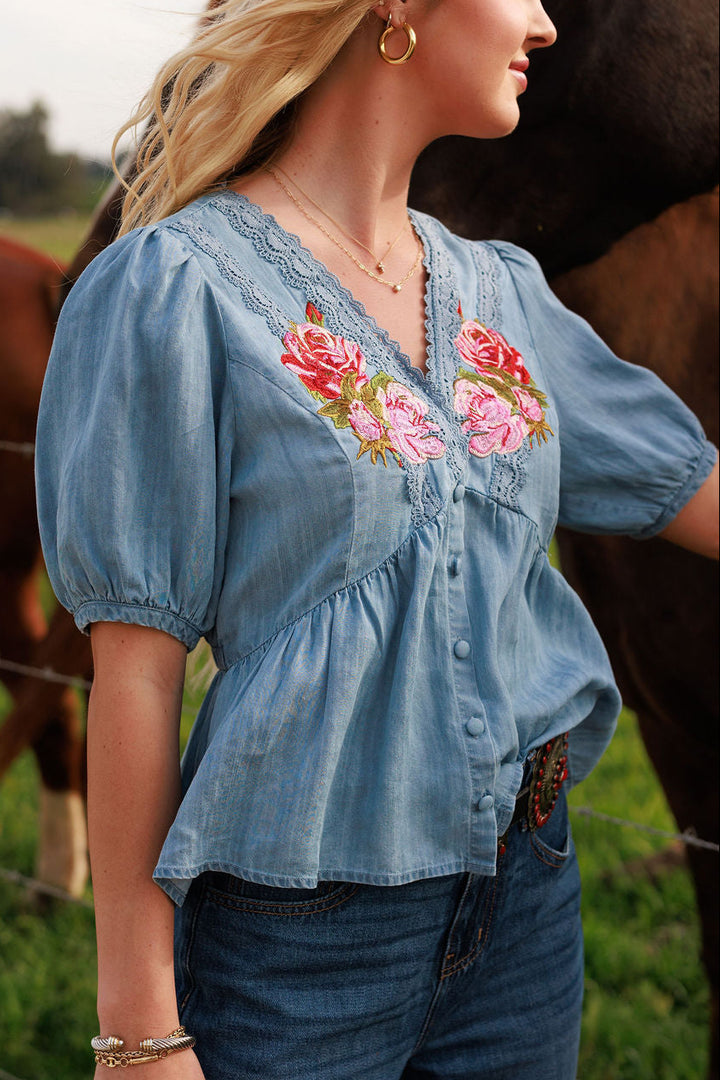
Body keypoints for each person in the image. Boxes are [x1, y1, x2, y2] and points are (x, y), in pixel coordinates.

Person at [35, 0, 719, 1077]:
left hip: (527, 899)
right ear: (396, 10)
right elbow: (134, 679)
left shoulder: (499, 292)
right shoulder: (171, 290)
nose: (543, 23)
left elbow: (695, 489)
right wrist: (139, 1031)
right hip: (305, 939)